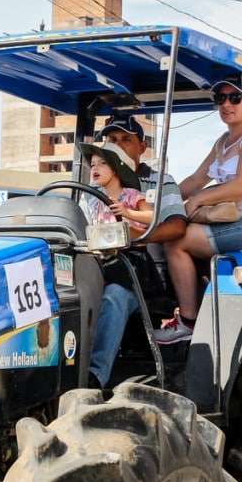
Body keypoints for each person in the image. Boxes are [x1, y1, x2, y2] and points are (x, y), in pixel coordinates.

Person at [154, 74, 242, 344]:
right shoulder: (223, 141)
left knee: (176, 241)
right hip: (233, 220)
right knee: (160, 234)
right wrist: (159, 200)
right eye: (220, 98)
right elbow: (195, 180)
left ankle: (188, 322)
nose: (226, 104)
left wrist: (198, 200)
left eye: (235, 98)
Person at [78, 142, 155, 388]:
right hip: (98, 264)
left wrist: (127, 213)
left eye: (103, 163)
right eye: (92, 164)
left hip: (128, 267)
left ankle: (94, 376)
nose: (95, 168)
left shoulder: (131, 196)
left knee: (113, 298)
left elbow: (151, 217)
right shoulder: (89, 201)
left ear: (117, 168)